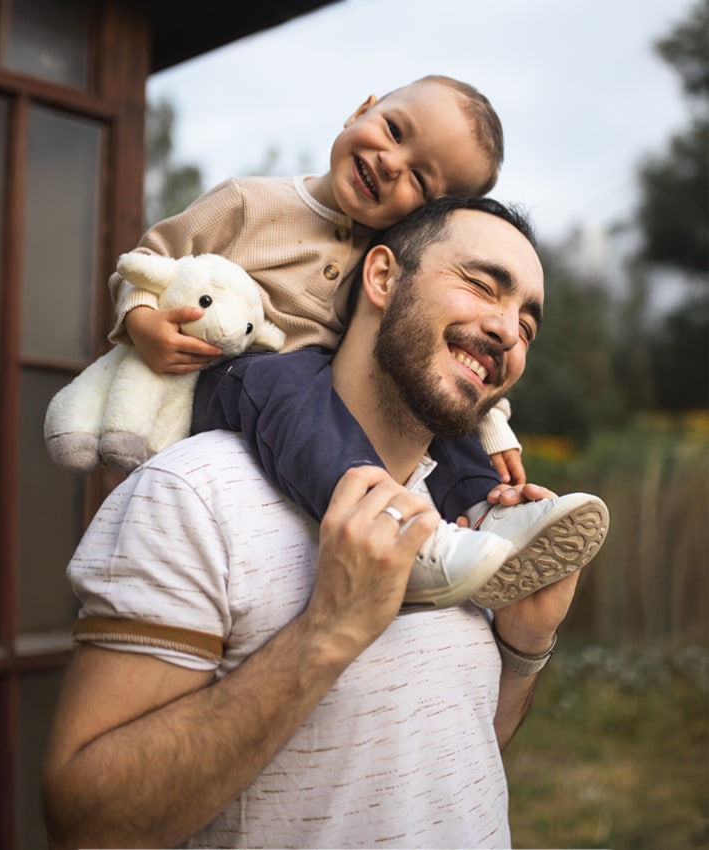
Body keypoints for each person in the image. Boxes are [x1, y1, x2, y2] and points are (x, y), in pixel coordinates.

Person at [43, 196, 609, 849]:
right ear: (382, 278)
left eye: (527, 327)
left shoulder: (470, 522)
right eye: (482, 286)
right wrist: (328, 631)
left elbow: (459, 753)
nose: (510, 332)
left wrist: (523, 645)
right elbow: (87, 824)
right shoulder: (192, 495)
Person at [105, 74, 534, 608]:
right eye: (395, 130)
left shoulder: (389, 253)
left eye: (420, 181)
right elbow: (147, 263)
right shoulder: (248, 202)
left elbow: (442, 345)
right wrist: (143, 320)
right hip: (228, 378)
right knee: (287, 381)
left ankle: (489, 513)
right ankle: (388, 526)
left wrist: (491, 425)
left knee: (428, 393)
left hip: (313, 394)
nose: (391, 163)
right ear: (361, 110)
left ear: (426, 216)